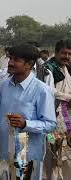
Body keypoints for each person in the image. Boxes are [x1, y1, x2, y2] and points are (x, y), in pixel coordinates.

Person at [0, 44, 56, 179]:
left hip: (27, 157)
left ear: (28, 64)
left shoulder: (42, 90)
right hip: (3, 151)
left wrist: (26, 123)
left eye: (16, 60)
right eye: (10, 58)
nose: (10, 62)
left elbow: (50, 124)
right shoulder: (5, 86)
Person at [43, 39, 71, 180]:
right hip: (51, 118)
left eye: (69, 54)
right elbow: (49, 90)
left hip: (65, 118)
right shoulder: (49, 68)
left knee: (65, 153)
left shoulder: (66, 68)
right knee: (51, 153)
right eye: (63, 53)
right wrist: (68, 97)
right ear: (56, 52)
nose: (66, 56)